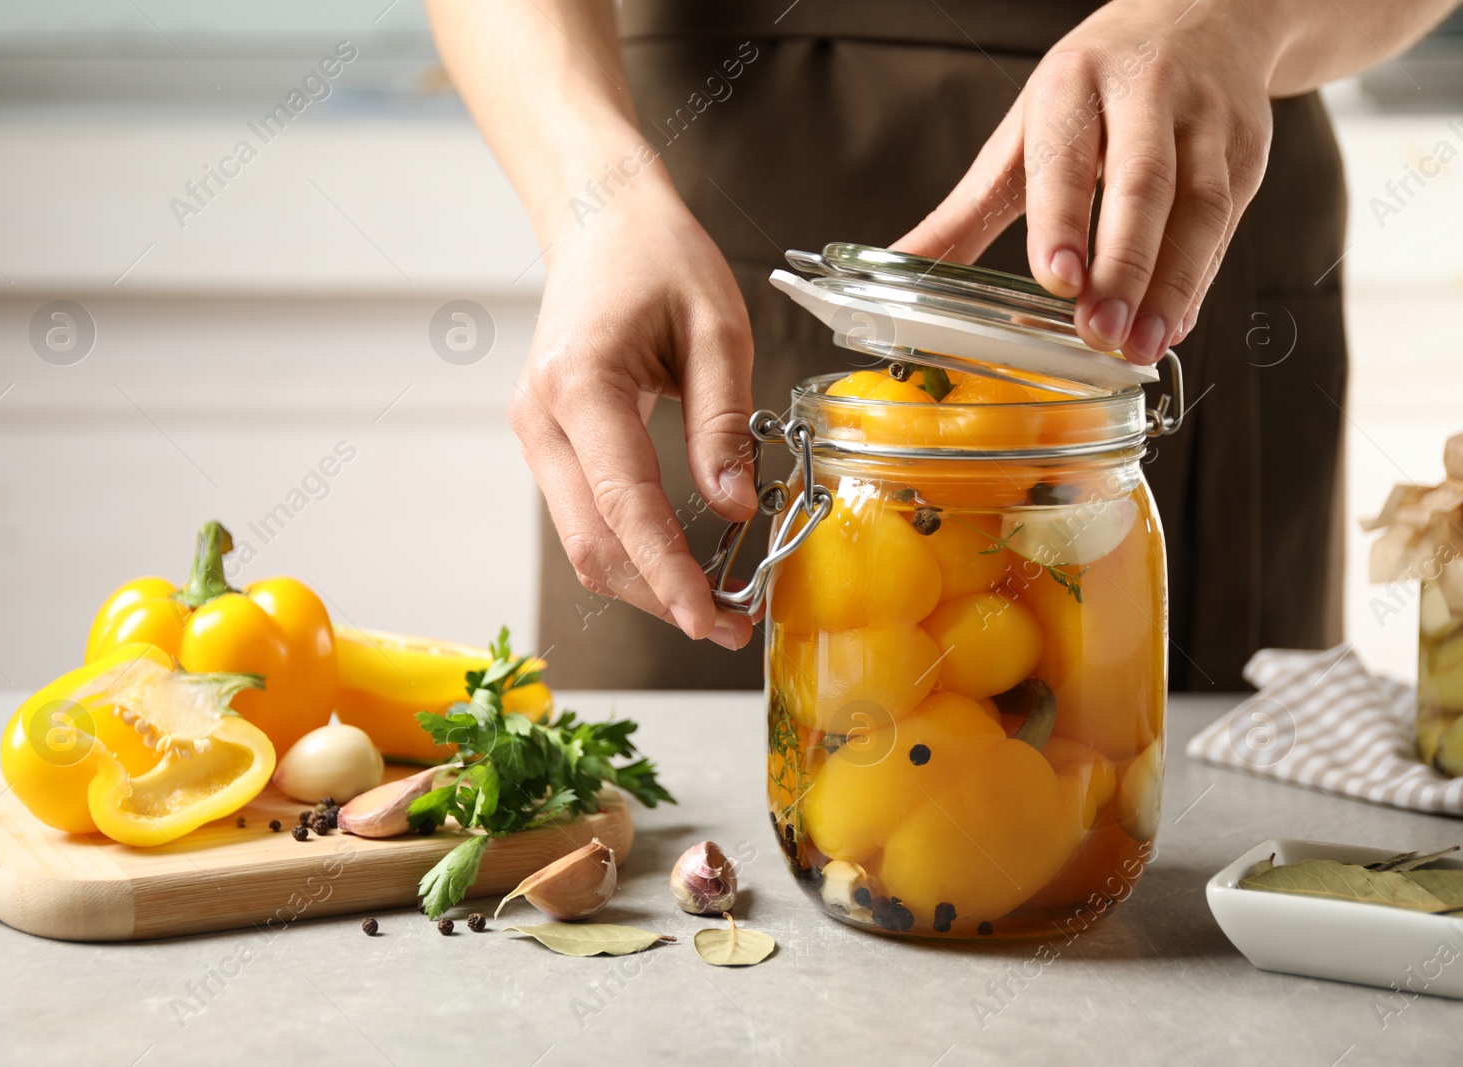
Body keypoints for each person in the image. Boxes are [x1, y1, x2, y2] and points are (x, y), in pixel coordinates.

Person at [426, 0, 1461, 691]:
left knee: (1183, 918)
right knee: (665, 888)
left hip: (1167, 202)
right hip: (684, 220)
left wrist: (1233, 17)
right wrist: (588, 198)